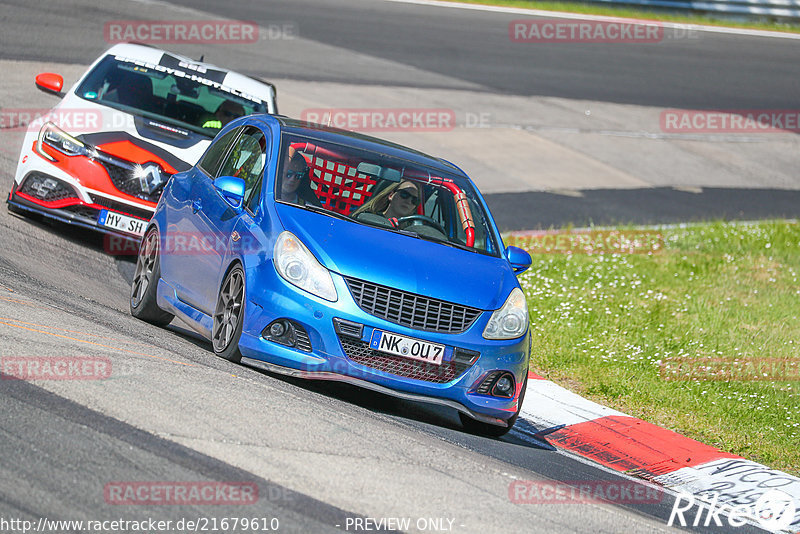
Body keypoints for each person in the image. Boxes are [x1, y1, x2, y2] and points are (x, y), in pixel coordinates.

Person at [353, 180, 421, 224]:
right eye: (404, 194)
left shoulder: (413, 233)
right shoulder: (366, 218)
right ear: (391, 195)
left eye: (414, 200)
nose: (409, 201)